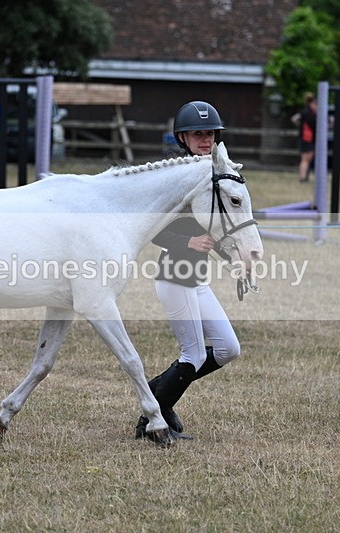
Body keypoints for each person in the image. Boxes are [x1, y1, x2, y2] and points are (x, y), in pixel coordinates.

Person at [134, 100, 242, 441]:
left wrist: (236, 259)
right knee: (193, 354)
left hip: (198, 280)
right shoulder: (173, 178)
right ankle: (151, 421)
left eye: (210, 133)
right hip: (174, 277)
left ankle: (158, 393)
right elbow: (150, 228)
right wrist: (187, 241)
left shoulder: (215, 174)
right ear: (182, 138)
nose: (205, 140)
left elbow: (222, 227)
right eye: (198, 134)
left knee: (228, 349)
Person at [296, 92, 317, 183]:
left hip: (306, 138)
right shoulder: (309, 113)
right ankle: (303, 177)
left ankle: (305, 176)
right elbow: (313, 125)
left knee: (306, 159)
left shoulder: (305, 111)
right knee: (305, 159)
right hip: (307, 138)